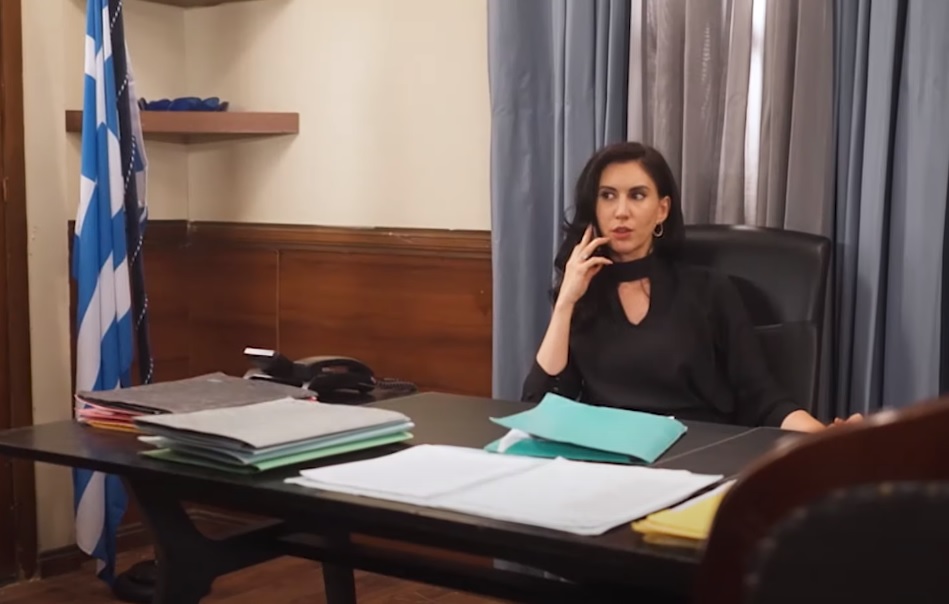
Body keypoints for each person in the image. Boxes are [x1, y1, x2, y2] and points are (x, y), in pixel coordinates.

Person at [522, 141, 860, 433]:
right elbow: (540, 403)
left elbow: (761, 397)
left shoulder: (709, 291)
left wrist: (822, 437)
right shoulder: (584, 294)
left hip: (694, 454)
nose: (621, 211)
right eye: (608, 196)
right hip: (610, 460)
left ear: (662, 210)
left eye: (637, 195)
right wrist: (565, 303)